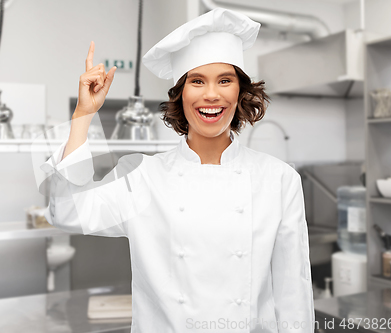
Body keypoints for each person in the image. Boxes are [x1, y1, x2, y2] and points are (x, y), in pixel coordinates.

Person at [41, 7, 315, 333]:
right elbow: (68, 212)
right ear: (180, 95)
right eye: (197, 81)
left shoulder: (279, 180)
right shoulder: (144, 177)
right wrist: (83, 114)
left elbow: (292, 291)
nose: (211, 94)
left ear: (240, 92)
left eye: (224, 80)